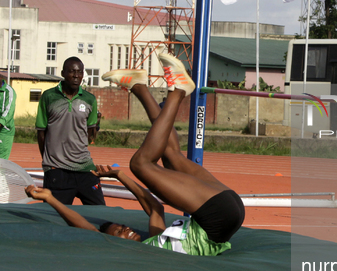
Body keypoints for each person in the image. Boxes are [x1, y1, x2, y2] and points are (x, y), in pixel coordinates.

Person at [26, 53, 245, 256]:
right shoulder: (145, 252)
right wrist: (51, 198)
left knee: (171, 157)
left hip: (224, 208)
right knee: (140, 164)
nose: (127, 229)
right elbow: (89, 230)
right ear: (112, 242)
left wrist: (120, 176)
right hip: (218, 218)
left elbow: (155, 208)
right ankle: (177, 92)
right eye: (120, 231)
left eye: (122, 227)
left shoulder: (154, 241)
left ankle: (139, 88)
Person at [36, 56, 105, 205]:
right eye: (72, 71)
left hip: (84, 167)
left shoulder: (89, 99)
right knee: (54, 217)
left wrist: (97, 124)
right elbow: (41, 132)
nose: (76, 75)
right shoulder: (48, 96)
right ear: (63, 73)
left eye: (79, 72)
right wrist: (48, 164)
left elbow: (89, 138)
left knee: (101, 212)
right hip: (57, 169)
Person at [0, 79, 16, 160]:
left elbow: (8, 110)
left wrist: (1, 122)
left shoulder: (9, 91)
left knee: (1, 162)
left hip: (3, 132)